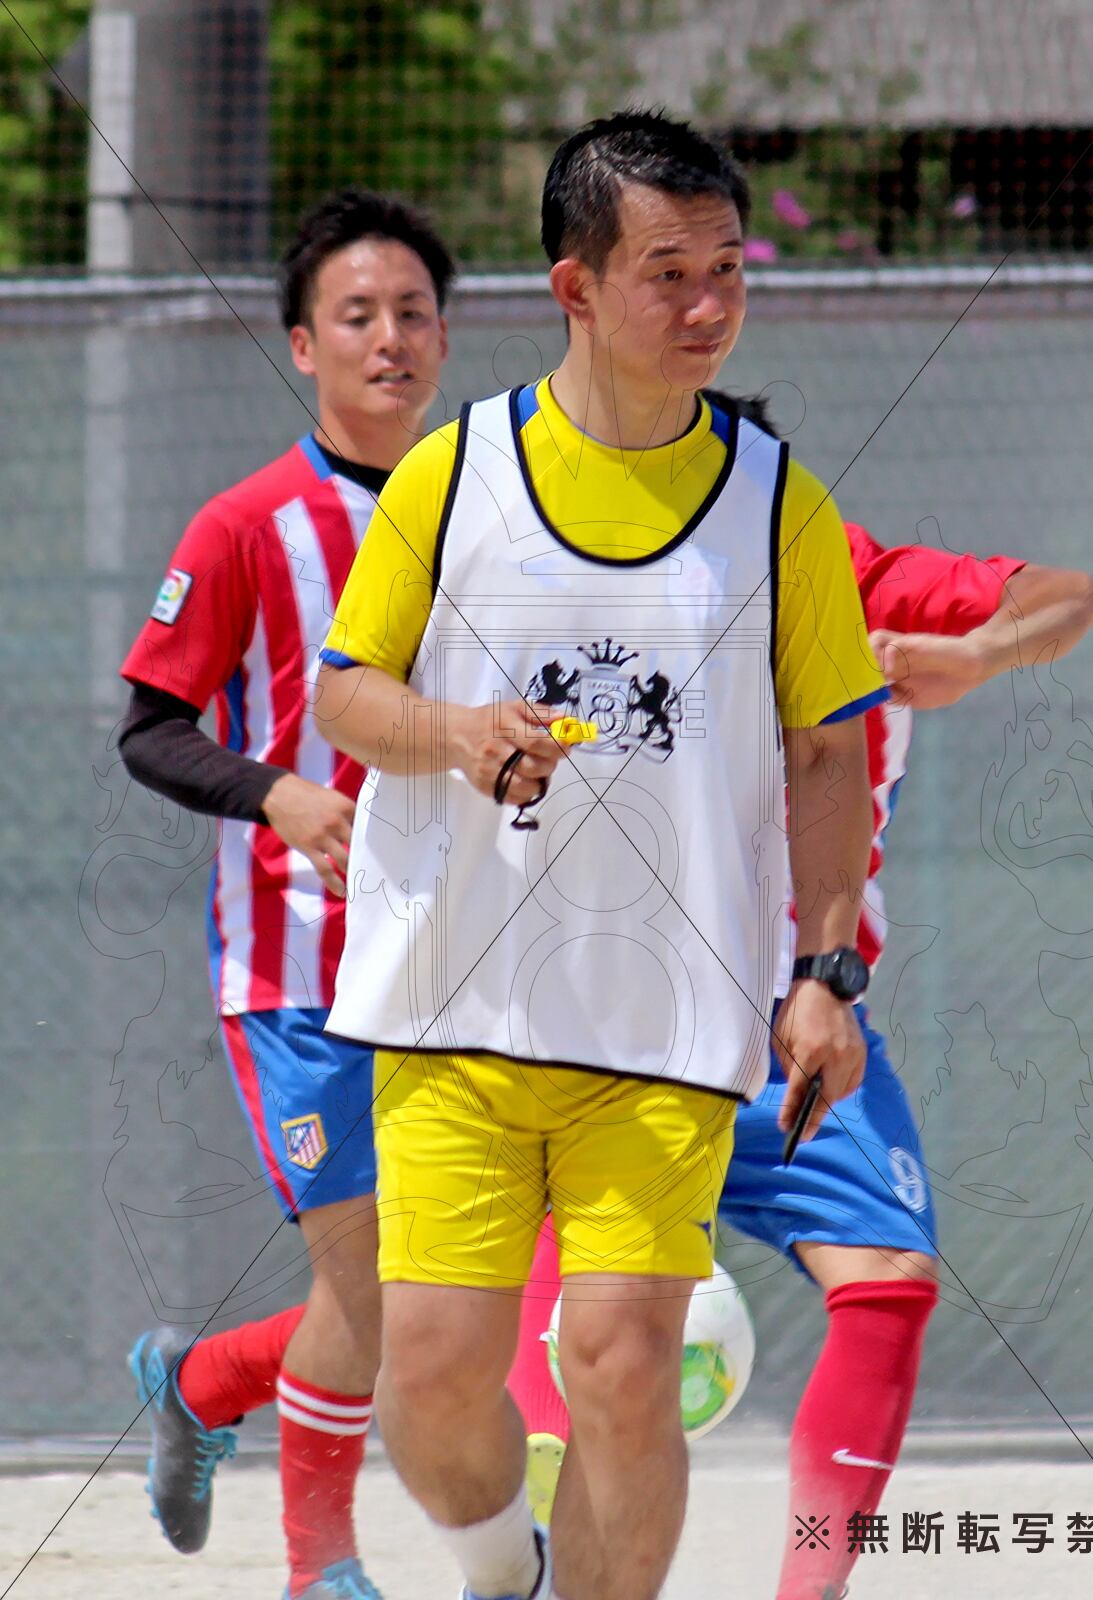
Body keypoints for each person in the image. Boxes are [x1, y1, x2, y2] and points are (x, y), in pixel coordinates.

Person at [312, 110, 887, 1600]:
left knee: (626, 1362)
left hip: (665, 1019)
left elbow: (829, 754)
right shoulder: (454, 475)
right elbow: (345, 695)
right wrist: (455, 733)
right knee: (433, 1371)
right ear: (575, 287)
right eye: (667, 274)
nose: (707, 304)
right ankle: (503, 1568)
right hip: (455, 1006)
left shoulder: (779, 504)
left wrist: (826, 972)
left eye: (727, 270)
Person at [507, 388, 1093, 1600]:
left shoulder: (849, 570)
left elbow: (1072, 595)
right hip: (623, 1017)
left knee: (888, 1281)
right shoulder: (586, 600)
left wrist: (976, 653)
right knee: (546, 1306)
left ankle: (807, 1588)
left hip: (803, 1018)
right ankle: (532, 1542)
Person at [119, 188, 455, 1600]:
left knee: (436, 1301)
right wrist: (277, 793)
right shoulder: (249, 523)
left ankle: (200, 1381)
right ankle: (322, 1570)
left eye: (414, 312)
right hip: (299, 976)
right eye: (357, 315)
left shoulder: (494, 514)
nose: (390, 338)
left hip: (465, 970)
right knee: (368, 1289)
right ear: (305, 347)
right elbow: (149, 728)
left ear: (445, 338)